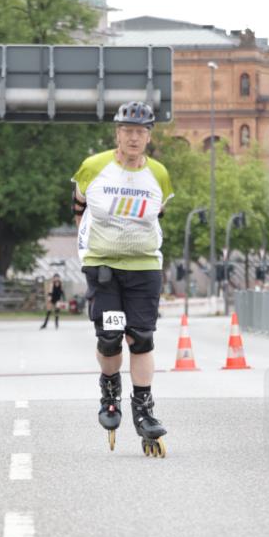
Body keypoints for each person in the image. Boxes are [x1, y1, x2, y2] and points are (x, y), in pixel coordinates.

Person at [72, 101, 173, 456]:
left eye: (140, 131)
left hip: (144, 266)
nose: (133, 137)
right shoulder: (94, 168)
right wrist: (86, 247)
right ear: (117, 133)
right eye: (127, 131)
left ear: (148, 136)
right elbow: (79, 205)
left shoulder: (158, 174)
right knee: (111, 335)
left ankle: (144, 410)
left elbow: (159, 215)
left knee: (142, 336)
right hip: (104, 267)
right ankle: (110, 390)